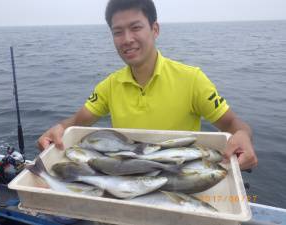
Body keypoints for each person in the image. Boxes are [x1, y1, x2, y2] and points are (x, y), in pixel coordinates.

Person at [37, 0, 257, 170]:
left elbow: (233, 124)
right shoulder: (109, 86)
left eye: (135, 27)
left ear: (155, 29)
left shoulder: (193, 80)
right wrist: (60, 129)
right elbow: (77, 122)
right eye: (117, 32)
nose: (127, 39)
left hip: (179, 178)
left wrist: (243, 136)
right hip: (126, 179)